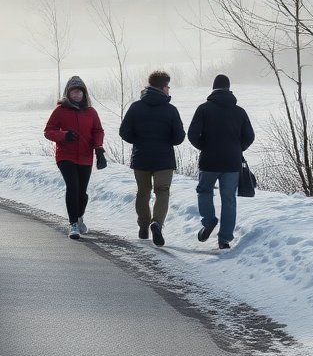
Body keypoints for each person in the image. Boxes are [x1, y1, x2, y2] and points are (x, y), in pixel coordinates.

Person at [187, 74, 256, 250]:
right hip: (231, 163)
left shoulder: (203, 109)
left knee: (204, 190)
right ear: (229, 88)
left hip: (209, 160)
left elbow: (192, 135)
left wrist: (205, 146)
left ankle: (209, 221)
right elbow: (250, 136)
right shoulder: (239, 111)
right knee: (229, 198)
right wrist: (237, 148)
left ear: (213, 88)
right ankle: (224, 239)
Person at [118, 70, 186, 247]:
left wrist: (139, 140)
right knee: (162, 191)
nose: (169, 90)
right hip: (164, 159)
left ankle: (143, 225)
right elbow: (179, 137)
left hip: (141, 157)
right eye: (168, 87)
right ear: (163, 87)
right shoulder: (171, 110)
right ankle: (157, 223)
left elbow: (124, 132)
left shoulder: (136, 107)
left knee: (143, 192)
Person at [44, 75, 106, 239]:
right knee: (73, 187)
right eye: (74, 92)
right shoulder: (60, 110)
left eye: (80, 92)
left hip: (86, 156)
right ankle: (73, 224)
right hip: (66, 156)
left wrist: (99, 149)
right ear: (68, 93)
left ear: (84, 94)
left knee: (82, 193)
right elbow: (48, 131)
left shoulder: (91, 112)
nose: (77, 95)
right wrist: (64, 135)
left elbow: (98, 131)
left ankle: (79, 217)